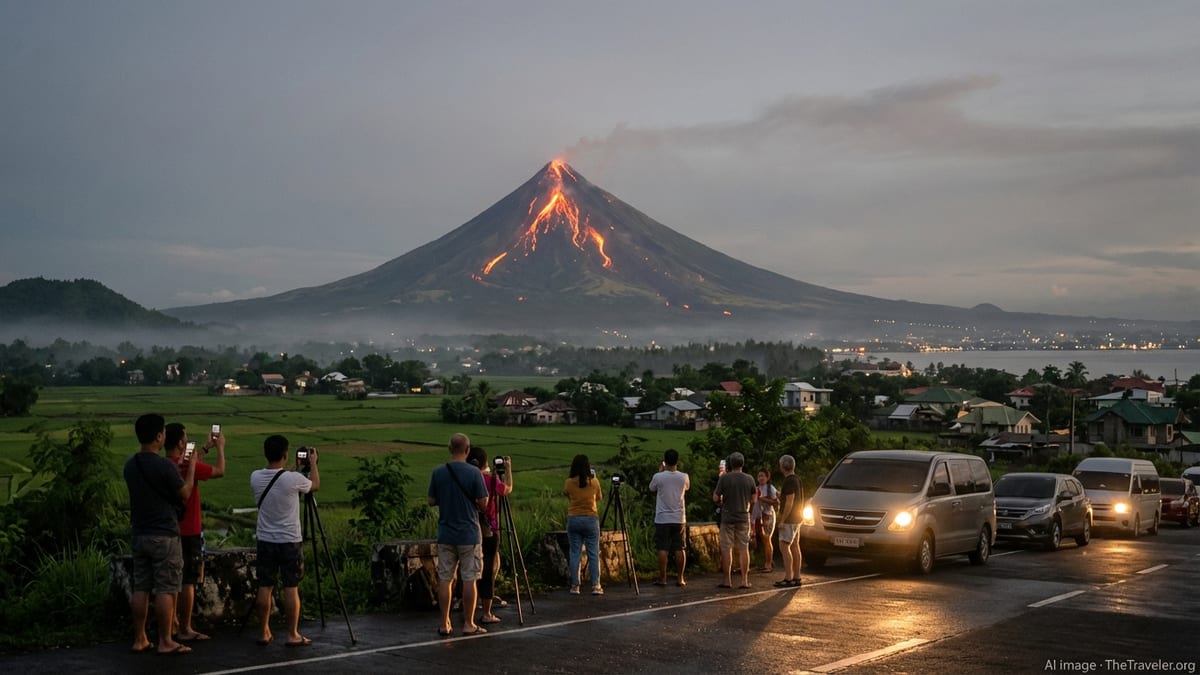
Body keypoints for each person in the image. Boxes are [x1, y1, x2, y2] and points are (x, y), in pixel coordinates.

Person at [124, 413, 197, 655]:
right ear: (158, 436)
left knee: (141, 587)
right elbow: (184, 493)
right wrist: (192, 466)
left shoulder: (130, 465)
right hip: (164, 534)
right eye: (163, 432)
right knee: (166, 587)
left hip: (139, 533)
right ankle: (166, 640)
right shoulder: (165, 465)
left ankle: (140, 638)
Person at [250, 435, 319, 647]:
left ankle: (263, 631)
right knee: (291, 587)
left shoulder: (255, 477)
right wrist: (313, 464)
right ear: (285, 454)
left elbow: (279, 479)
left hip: (265, 540)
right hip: (289, 540)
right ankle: (292, 634)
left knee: (265, 585)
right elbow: (314, 485)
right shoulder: (293, 480)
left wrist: (293, 467)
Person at [164, 422, 225, 642]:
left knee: (169, 581)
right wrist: (220, 448)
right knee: (188, 580)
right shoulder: (189, 467)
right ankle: (186, 628)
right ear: (181, 442)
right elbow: (220, 471)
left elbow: (188, 463)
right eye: (185, 438)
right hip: (189, 530)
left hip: (168, 530)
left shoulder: (165, 465)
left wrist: (205, 448)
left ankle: (171, 624)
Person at [428, 433, 489, 637]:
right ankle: (468, 623)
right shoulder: (474, 473)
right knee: (470, 579)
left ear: (449, 448)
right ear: (467, 449)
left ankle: (445, 623)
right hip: (469, 534)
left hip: (446, 533)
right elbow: (483, 502)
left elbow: (431, 500)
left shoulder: (438, 472)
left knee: (446, 579)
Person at [466, 445, 512, 625]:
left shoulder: (466, 479)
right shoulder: (490, 480)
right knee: (488, 570)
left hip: (469, 529)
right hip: (489, 530)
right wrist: (507, 469)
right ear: (485, 462)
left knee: (469, 569)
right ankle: (486, 612)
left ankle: (469, 604)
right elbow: (506, 489)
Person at [713, 451, 756, 589]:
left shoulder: (724, 478)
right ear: (742, 464)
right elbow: (754, 498)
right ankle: (744, 580)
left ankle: (727, 580)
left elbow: (715, 497)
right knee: (744, 548)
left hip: (727, 516)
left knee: (726, 549)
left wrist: (721, 502)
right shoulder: (749, 479)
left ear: (730, 463)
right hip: (743, 516)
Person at [648, 448, 690, 587]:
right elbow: (687, 488)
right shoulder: (684, 477)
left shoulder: (658, 476)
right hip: (679, 518)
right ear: (677, 461)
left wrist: (661, 471)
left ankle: (663, 578)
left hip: (662, 518)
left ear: (664, 461)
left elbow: (651, 488)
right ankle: (680, 578)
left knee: (662, 548)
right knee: (679, 548)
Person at [563, 454, 603, 595]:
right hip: (591, 519)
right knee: (593, 553)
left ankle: (575, 585)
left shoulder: (569, 482)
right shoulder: (594, 482)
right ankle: (596, 585)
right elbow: (599, 497)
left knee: (575, 553)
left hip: (574, 519)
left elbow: (567, 494)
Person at [775, 454, 804, 588]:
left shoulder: (789, 481)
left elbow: (790, 502)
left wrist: (782, 519)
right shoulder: (797, 479)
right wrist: (781, 495)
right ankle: (797, 576)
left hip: (790, 519)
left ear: (782, 467)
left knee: (784, 546)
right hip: (797, 518)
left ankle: (788, 577)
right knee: (795, 546)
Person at [751, 468, 779, 573]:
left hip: (768, 515)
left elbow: (775, 501)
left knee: (767, 539)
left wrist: (761, 498)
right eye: (759, 476)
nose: (761, 478)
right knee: (763, 539)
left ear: (767, 477)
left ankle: (768, 564)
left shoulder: (770, 488)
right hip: (759, 516)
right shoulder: (757, 488)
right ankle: (768, 561)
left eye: (763, 476)